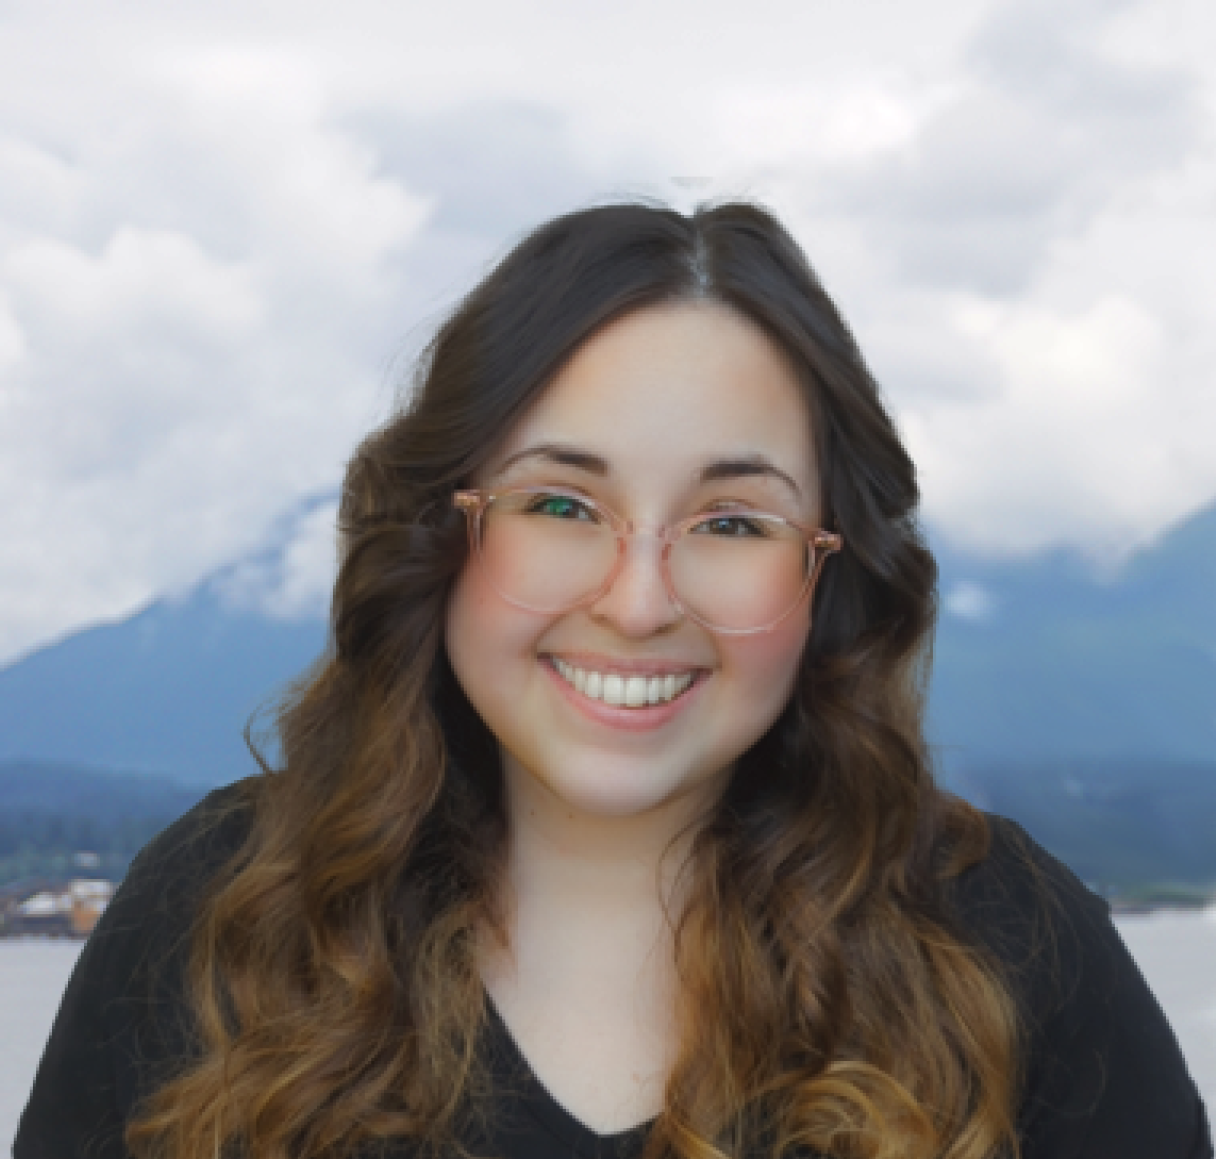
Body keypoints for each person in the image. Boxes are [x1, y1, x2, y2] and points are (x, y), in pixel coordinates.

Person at [15, 202, 1212, 1159]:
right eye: (559, 505)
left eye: (733, 522)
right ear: (442, 536)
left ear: (829, 574)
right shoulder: (220, 913)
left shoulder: (1010, 943)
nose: (639, 601)